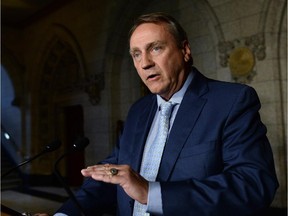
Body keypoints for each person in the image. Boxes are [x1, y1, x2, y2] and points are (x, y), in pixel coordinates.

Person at [38, 12, 278, 216]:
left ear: (184, 50)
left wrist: (150, 192)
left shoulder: (231, 101)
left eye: (155, 48)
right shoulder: (138, 111)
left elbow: (253, 185)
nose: (145, 63)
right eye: (136, 54)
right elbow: (113, 178)